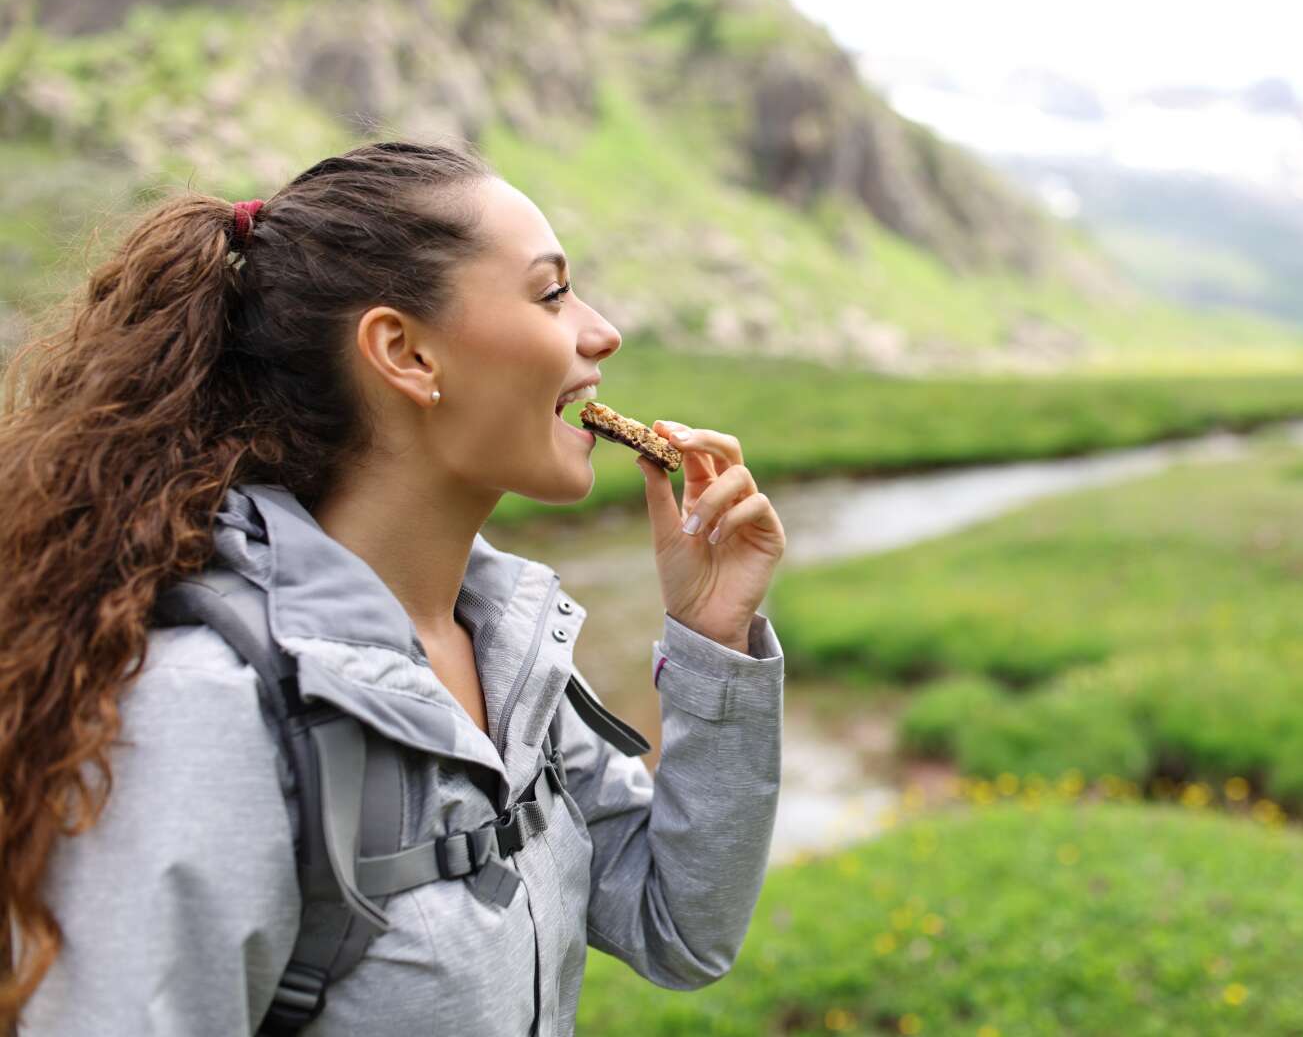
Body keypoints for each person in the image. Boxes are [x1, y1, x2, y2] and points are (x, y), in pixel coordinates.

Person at [0, 141, 787, 1035]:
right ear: (405, 353)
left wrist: (713, 638)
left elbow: (679, 928)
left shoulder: (509, 649)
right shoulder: (207, 712)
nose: (601, 332)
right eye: (551, 293)